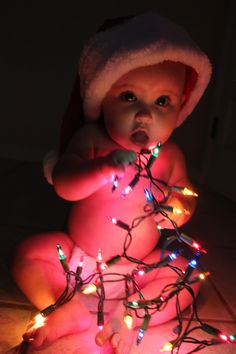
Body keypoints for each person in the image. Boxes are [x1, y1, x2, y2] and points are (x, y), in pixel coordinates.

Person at [12, 12, 211, 354]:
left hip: (141, 268)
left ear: (180, 109)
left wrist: (174, 211)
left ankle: (131, 314)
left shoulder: (171, 155)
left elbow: (184, 196)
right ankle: (65, 306)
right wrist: (102, 169)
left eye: (162, 101)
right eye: (129, 96)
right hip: (78, 261)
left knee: (188, 276)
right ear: (102, 98)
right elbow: (64, 184)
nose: (145, 114)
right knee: (28, 254)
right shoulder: (91, 139)